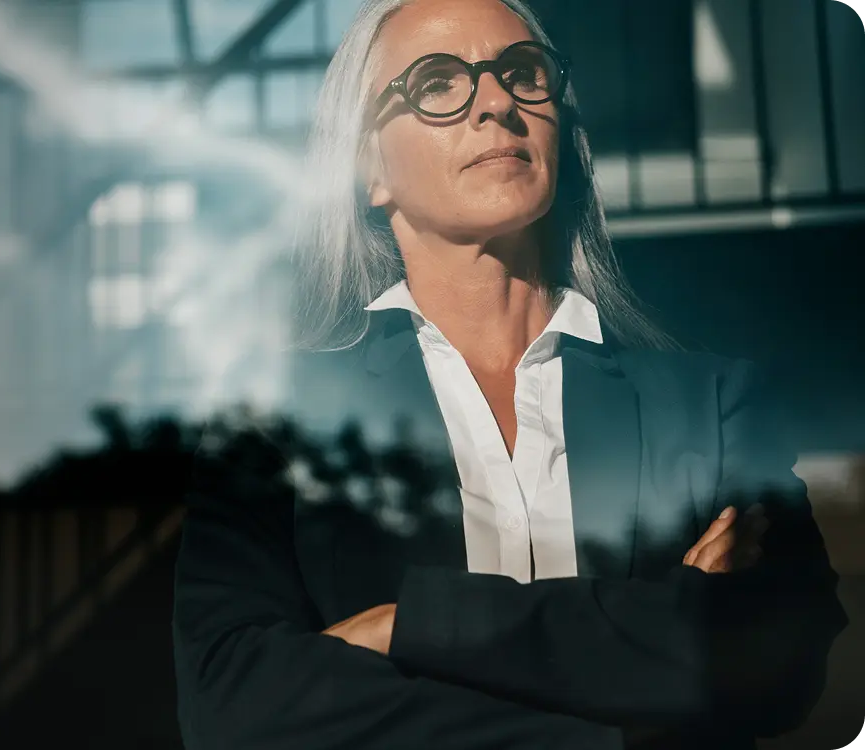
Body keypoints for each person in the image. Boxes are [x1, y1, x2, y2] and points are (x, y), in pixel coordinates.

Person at [170, 0, 848, 748]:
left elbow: (775, 661)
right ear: (370, 171)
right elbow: (232, 707)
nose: (497, 101)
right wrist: (641, 670)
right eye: (436, 84)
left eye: (523, 74)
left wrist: (409, 626)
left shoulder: (712, 404)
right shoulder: (274, 422)